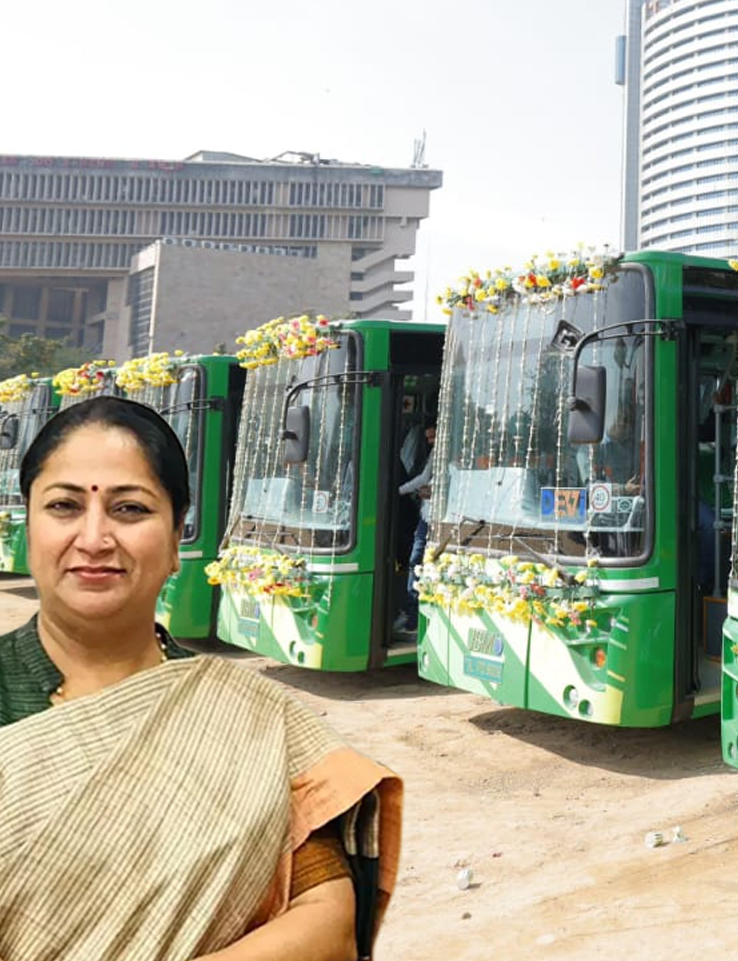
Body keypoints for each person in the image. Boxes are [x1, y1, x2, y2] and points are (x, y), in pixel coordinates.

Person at [0, 396, 402, 961]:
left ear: (176, 537)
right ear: (29, 526)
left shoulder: (246, 713)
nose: (93, 538)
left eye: (131, 510)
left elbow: (329, 922)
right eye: (64, 506)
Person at [396, 420, 435, 637]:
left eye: (432, 437)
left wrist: (434, 492)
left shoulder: (457, 451)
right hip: (426, 516)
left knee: (419, 561)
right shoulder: (435, 453)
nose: (429, 442)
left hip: (442, 518)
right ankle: (412, 614)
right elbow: (423, 478)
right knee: (415, 560)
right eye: (427, 438)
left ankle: (416, 614)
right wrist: (399, 491)